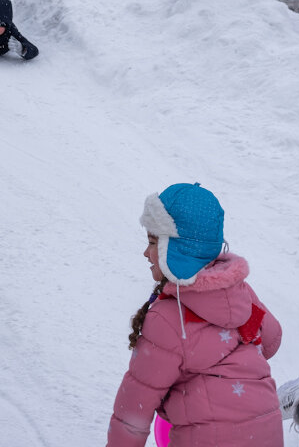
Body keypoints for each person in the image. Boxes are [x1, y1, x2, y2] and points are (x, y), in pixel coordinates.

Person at [107, 182, 283, 447]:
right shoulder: (241, 293)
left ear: (177, 250)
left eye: (154, 242)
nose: (146, 252)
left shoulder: (166, 319)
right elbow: (271, 340)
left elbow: (134, 411)